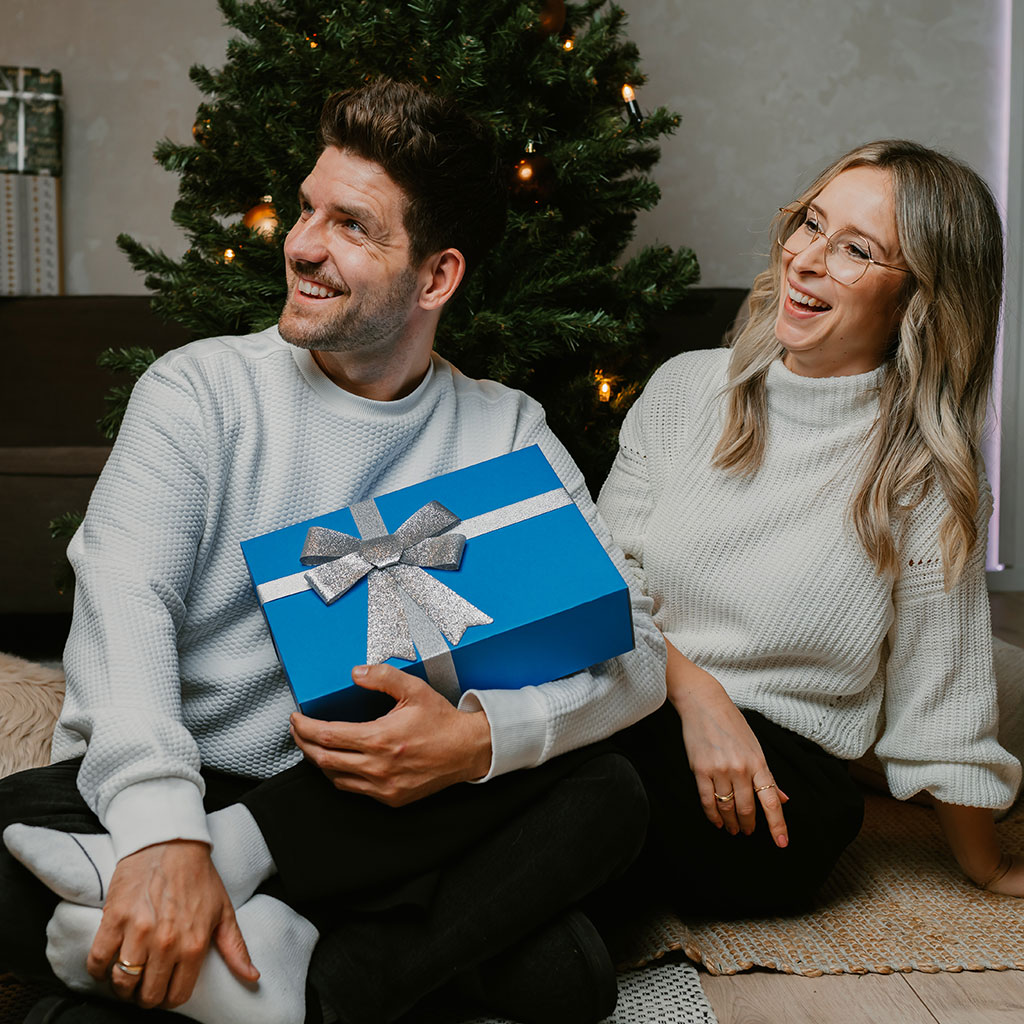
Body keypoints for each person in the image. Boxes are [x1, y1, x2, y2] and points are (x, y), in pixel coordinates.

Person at [0, 78, 666, 1024]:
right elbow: (123, 605)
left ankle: (190, 966)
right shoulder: (198, 391)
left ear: (436, 277)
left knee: (606, 793)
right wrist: (162, 836)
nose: (302, 243)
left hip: (385, 805)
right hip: (191, 769)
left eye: (352, 226)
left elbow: (634, 644)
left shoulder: (505, 430)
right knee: (558, 973)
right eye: (309, 208)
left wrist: (472, 741)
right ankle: (283, 956)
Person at [596, 139, 1023, 919]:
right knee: (556, 762)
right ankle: (548, 951)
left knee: (573, 794)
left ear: (918, 299)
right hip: (640, 699)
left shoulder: (925, 472)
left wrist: (987, 866)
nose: (806, 259)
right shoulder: (685, 389)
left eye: (856, 249)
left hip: (777, 776)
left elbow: (945, 694)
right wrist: (697, 697)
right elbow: (607, 581)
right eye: (810, 224)